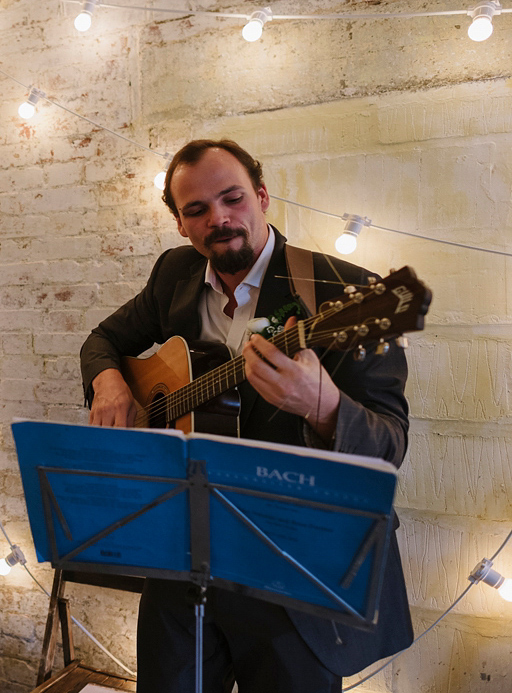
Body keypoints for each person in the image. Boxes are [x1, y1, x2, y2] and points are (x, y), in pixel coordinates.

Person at [80, 139, 414, 693]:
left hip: (292, 578)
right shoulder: (175, 275)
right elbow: (104, 339)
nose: (219, 218)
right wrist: (108, 379)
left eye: (233, 198)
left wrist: (322, 405)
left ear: (261, 196)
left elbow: (390, 445)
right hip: (183, 556)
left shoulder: (348, 292)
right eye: (197, 210)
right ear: (181, 224)